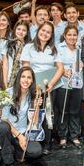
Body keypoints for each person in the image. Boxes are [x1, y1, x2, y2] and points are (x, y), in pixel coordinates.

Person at [20, 21, 64, 154]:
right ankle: (33, 140)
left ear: (51, 35)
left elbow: (60, 68)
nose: (45, 34)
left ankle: (47, 143)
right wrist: (32, 85)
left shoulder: (54, 49)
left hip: (50, 86)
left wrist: (51, 83)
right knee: (35, 113)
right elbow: (26, 67)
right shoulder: (28, 47)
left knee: (49, 114)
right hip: (34, 86)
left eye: (48, 32)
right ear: (38, 31)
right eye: (43, 30)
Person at [0, 66, 43, 166]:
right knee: (3, 127)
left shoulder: (32, 95)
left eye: (29, 77)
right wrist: (19, 136)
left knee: (36, 152)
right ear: (18, 78)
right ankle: (9, 162)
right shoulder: (8, 93)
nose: (26, 80)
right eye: (23, 76)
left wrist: (37, 106)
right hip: (9, 132)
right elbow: (4, 119)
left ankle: (13, 149)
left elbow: (34, 122)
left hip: (23, 132)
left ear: (32, 80)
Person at [56, 25, 83, 148]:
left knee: (75, 111)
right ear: (64, 36)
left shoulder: (79, 48)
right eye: (69, 35)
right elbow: (55, 64)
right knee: (63, 111)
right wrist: (63, 71)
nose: (72, 37)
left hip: (77, 83)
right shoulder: (59, 48)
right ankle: (62, 136)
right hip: (63, 83)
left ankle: (74, 136)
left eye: (74, 35)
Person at [3, 19, 31, 87]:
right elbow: (5, 65)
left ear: (27, 32)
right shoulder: (7, 43)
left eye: (24, 30)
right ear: (15, 30)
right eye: (18, 29)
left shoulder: (29, 46)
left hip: (23, 81)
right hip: (9, 78)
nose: (21, 32)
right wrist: (5, 82)